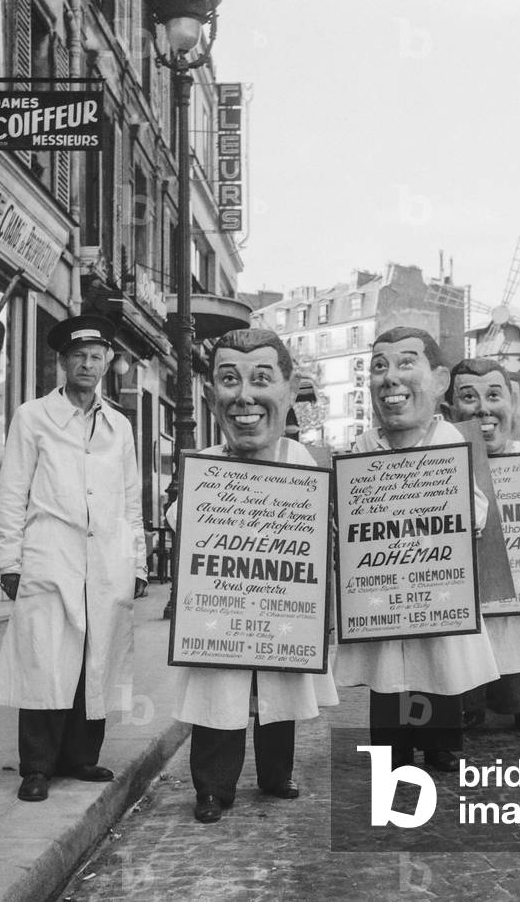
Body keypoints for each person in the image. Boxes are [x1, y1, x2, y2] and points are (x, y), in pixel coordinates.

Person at [166, 328, 338, 824]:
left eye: (261, 378)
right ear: (212, 393)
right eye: (228, 380)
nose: (244, 396)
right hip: (223, 609)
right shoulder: (208, 464)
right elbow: (183, 523)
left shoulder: (301, 460)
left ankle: (275, 772)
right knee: (219, 693)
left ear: (288, 388)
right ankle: (212, 787)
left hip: (281, 606)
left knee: (278, 687)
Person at [0, 314, 147, 802]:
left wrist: (137, 562)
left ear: (107, 364)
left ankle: (81, 757)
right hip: (49, 555)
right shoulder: (32, 417)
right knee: (45, 659)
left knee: (93, 659)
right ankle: (36, 766)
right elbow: (11, 492)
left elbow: (130, 498)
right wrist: (9, 561)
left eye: (97, 356)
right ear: (62, 361)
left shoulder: (119, 425)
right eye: (78, 355)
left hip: (106, 560)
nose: (88, 363)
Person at [334, 327, 499, 771]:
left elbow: (479, 505)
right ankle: (393, 748)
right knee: (389, 672)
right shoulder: (365, 446)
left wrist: (448, 517)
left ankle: (440, 743)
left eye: (406, 363)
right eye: (379, 366)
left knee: (438, 664)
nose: (390, 379)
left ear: (440, 379)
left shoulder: (453, 440)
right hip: (384, 584)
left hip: (438, 580)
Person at [445, 358, 520, 731]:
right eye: (469, 397)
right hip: (473, 576)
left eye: (494, 395)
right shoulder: (448, 461)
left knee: (516, 639)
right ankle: (471, 704)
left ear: (512, 406)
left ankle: (519, 704)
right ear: (450, 410)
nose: (483, 408)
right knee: (474, 640)